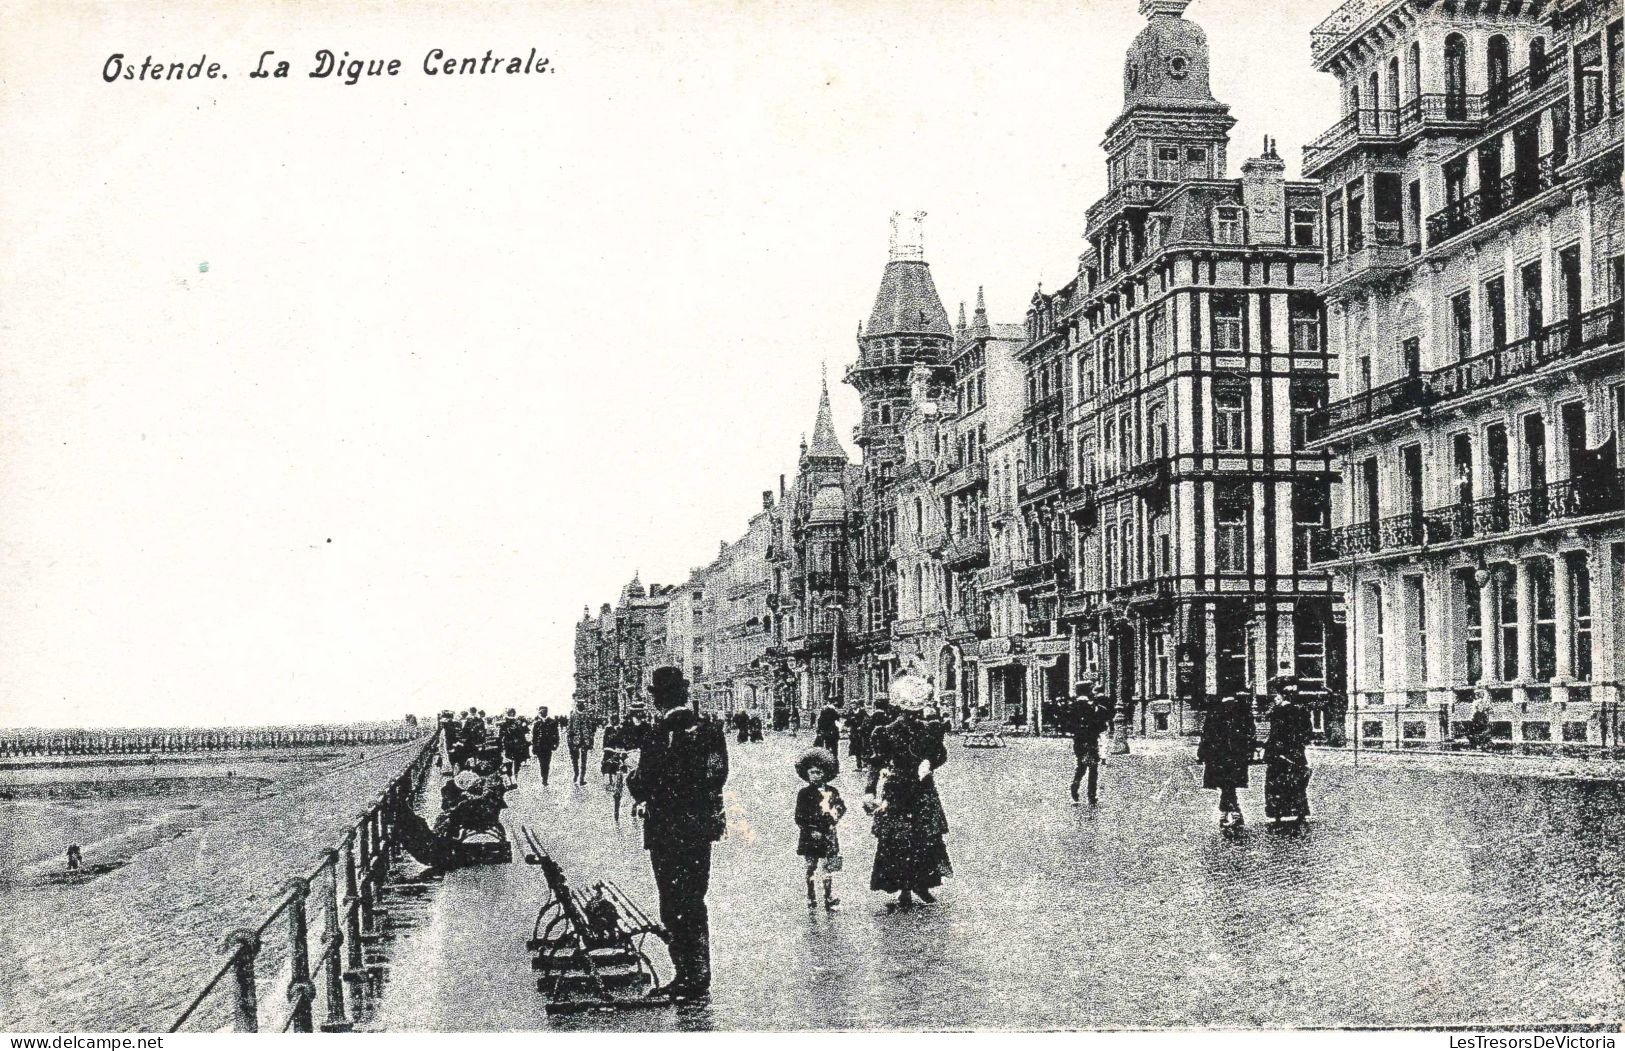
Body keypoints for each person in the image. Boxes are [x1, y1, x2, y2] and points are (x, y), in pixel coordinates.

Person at [627, 667, 729, 1002]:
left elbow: (643, 782)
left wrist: (634, 779)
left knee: (673, 903)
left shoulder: (659, 733)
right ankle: (699, 975)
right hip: (698, 828)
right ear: (685, 694)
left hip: (666, 829)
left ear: (657, 698)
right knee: (694, 899)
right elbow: (717, 776)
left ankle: (686, 977)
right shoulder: (711, 730)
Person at [863, 674, 951, 910]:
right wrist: (869, 791)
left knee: (925, 838)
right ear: (899, 710)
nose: (913, 716)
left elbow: (940, 754)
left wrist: (930, 763)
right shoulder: (885, 732)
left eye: (917, 712)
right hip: (897, 789)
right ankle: (904, 889)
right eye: (908, 712)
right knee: (898, 840)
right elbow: (876, 763)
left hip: (923, 789)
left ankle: (922, 883)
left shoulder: (930, 729)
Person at [794, 747, 846, 911]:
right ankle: (811, 896)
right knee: (811, 866)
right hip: (811, 835)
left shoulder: (833, 791)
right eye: (812, 772)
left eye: (819, 772)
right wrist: (811, 829)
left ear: (825, 773)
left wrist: (833, 819)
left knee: (828, 866)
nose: (816, 776)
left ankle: (829, 896)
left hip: (828, 834)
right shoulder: (804, 793)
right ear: (807, 774)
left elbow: (841, 807)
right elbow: (799, 816)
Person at [1197, 695, 1256, 829]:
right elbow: (1250, 734)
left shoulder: (1214, 713)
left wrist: (1202, 754)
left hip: (1220, 758)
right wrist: (1249, 753)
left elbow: (1206, 736)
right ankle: (1233, 815)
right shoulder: (1242, 712)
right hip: (1233, 758)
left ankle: (1229, 815)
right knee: (1228, 787)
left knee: (1227, 787)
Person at [1263, 677, 1313, 824]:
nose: (1274, 699)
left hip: (1279, 754)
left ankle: (1278, 812)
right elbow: (1306, 731)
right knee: (1296, 781)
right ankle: (1299, 811)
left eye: (1276, 696)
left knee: (1277, 782)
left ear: (1282, 696)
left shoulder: (1278, 712)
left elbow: (1275, 734)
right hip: (1295, 752)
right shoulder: (1300, 710)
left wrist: (1269, 748)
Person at [1068, 682, 1112, 806]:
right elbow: (1101, 724)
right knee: (1093, 768)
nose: (1093, 692)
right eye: (1091, 690)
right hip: (1091, 739)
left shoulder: (1072, 706)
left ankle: (1075, 789)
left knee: (1081, 766)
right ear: (1087, 691)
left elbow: (1069, 725)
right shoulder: (1093, 707)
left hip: (1079, 741)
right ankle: (1091, 796)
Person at [531, 707, 560, 786]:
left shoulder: (552, 722)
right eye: (541, 711)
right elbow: (534, 736)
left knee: (547, 763)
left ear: (546, 712)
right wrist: (534, 747)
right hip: (539, 746)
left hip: (548, 746)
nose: (543, 713)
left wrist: (556, 744)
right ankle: (544, 777)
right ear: (540, 712)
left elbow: (556, 734)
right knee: (542, 763)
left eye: (544, 711)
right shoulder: (537, 723)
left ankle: (545, 778)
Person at [567, 712, 597, 786]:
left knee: (584, 760)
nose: (580, 705)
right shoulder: (573, 716)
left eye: (582, 703)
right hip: (575, 741)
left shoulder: (588, 715)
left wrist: (591, 742)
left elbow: (592, 730)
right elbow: (569, 729)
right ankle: (576, 773)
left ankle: (582, 778)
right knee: (575, 759)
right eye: (579, 703)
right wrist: (570, 741)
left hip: (585, 741)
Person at [813, 698, 843, 774]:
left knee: (827, 750)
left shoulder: (824, 711)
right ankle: (835, 768)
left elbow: (820, 723)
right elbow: (838, 721)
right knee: (834, 751)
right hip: (833, 734)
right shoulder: (833, 711)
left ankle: (828, 767)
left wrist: (819, 731)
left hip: (826, 734)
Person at [846, 706, 869, 771]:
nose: (853, 706)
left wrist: (862, 726)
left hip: (862, 733)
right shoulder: (850, 712)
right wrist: (848, 728)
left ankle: (865, 765)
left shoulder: (862, 712)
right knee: (856, 749)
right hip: (854, 733)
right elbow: (848, 722)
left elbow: (867, 720)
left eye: (854, 704)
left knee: (863, 748)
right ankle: (859, 766)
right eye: (851, 704)